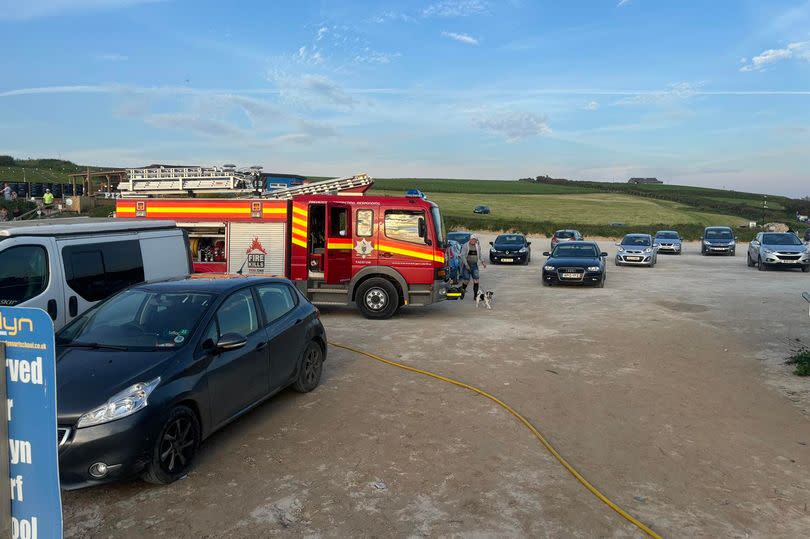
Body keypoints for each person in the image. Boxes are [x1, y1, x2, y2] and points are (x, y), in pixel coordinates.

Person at [459, 235, 486, 300]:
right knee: (466, 280)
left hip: (474, 265)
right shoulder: (465, 246)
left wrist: (483, 262)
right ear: (470, 240)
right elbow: (462, 256)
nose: (474, 241)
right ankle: (462, 291)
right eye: (473, 240)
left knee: (476, 280)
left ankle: (475, 296)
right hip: (466, 264)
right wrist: (466, 265)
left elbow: (479, 255)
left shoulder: (477, 246)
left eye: (475, 240)